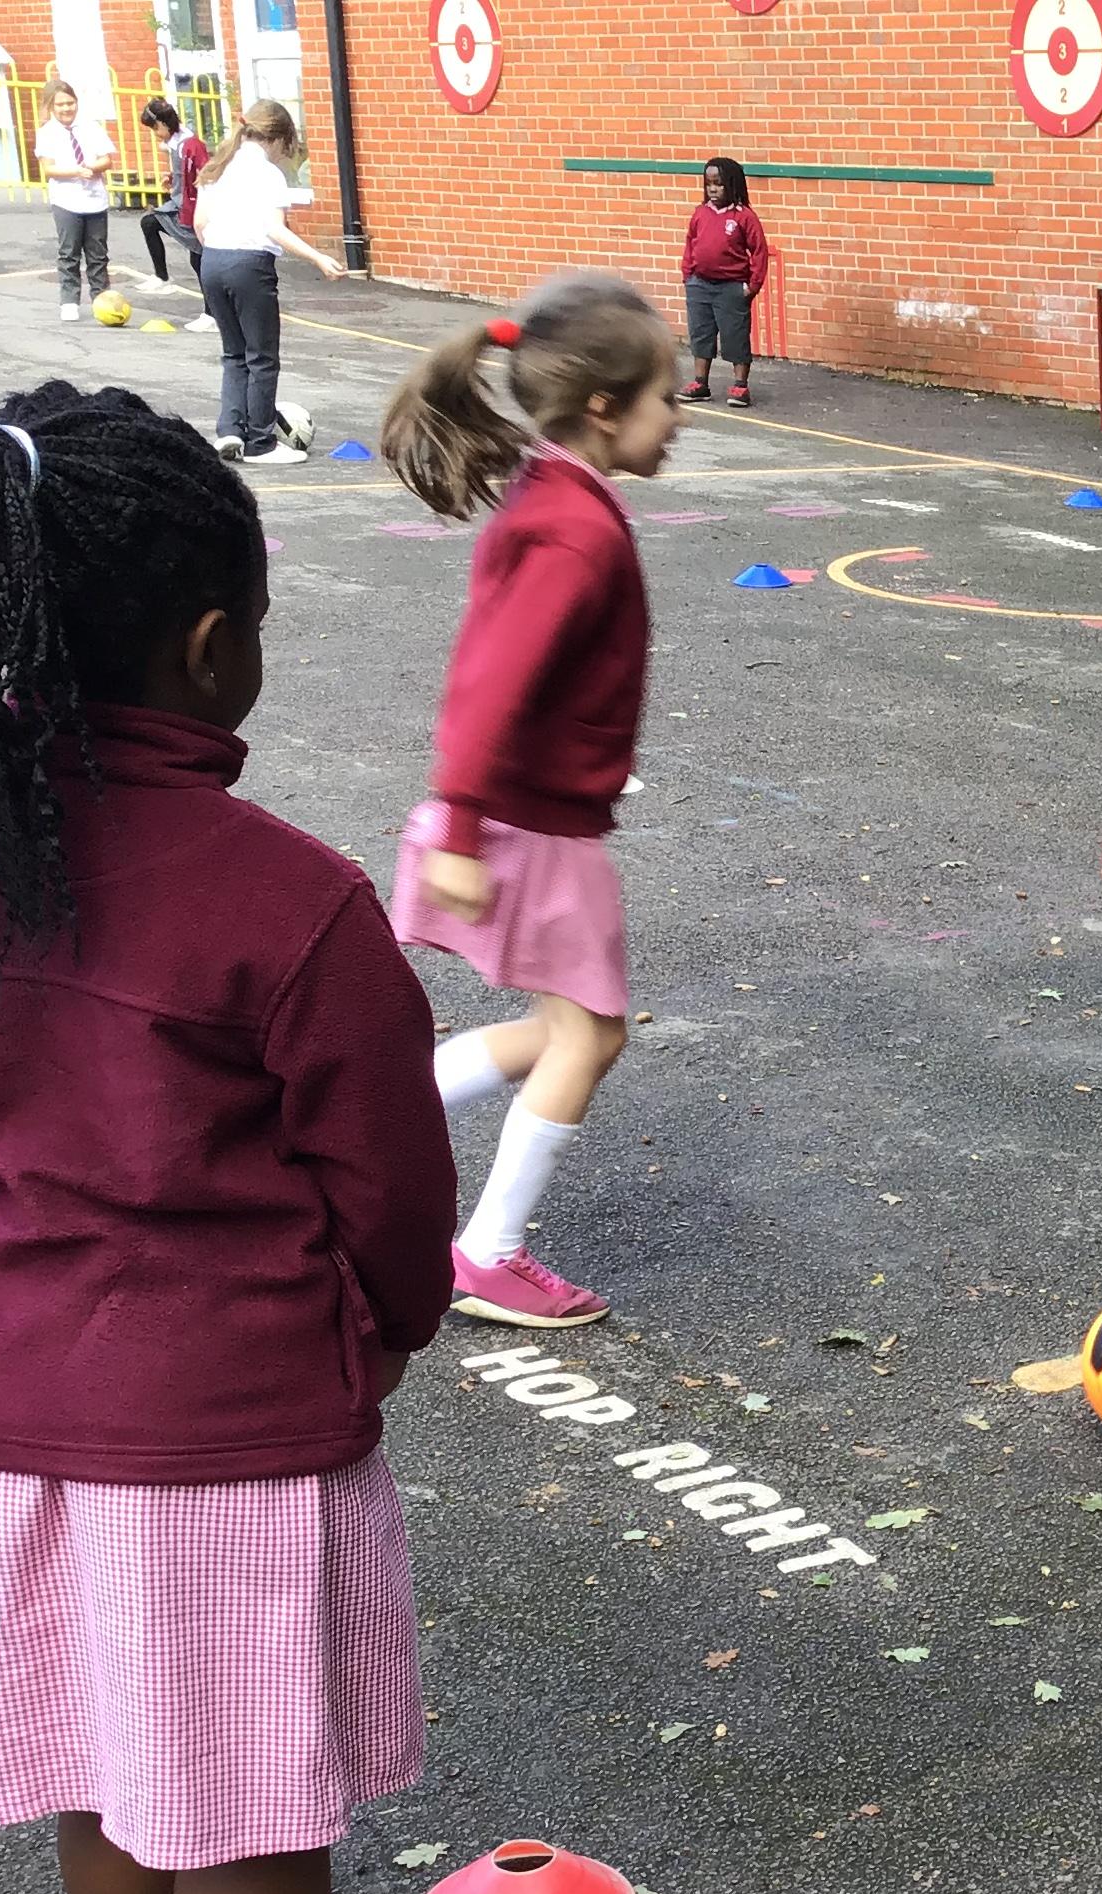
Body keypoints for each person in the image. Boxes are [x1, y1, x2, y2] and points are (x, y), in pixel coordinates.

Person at [0, 381, 497, 1894]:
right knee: (241, 1807)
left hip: (10, 1418)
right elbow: (387, 1189)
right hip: (220, 1426)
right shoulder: (287, 905)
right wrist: (379, 1335)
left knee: (102, 1764)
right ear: (211, 646)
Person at [382, 274, 680, 1330]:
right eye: (666, 398)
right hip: (529, 829)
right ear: (604, 405)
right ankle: (487, 1254)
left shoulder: (561, 496)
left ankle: (360, 1125)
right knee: (589, 1037)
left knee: (561, 1027)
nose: (678, 417)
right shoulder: (572, 530)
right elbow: (489, 679)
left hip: (525, 818)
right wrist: (460, 827)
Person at [195, 102, 346, 465]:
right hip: (249, 265)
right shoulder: (267, 174)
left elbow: (200, 223)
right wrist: (318, 258)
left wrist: (220, 252)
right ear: (277, 139)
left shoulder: (219, 165)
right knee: (262, 357)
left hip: (212, 260)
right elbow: (274, 229)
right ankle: (261, 442)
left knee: (234, 353)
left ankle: (230, 430)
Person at [679, 155, 770, 409]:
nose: (713, 189)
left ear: (733, 185)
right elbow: (690, 244)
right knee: (700, 334)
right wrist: (688, 275)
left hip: (731, 287)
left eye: (719, 184)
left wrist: (752, 285)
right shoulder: (700, 213)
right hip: (700, 285)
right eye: (708, 184)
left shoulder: (744, 216)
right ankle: (700, 383)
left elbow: (759, 251)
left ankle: (740, 385)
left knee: (735, 335)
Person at [35, 80, 114, 322]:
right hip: (66, 200)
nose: (66, 108)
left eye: (70, 103)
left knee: (98, 253)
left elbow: (107, 160)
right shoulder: (47, 133)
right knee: (69, 251)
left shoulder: (91, 127)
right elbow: (48, 169)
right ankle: (69, 300)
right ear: (51, 106)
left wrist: (92, 167)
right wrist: (76, 171)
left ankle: (102, 298)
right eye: (60, 104)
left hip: (95, 199)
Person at [135, 97, 208, 306]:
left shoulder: (190, 144)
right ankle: (162, 277)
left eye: (155, 128)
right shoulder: (177, 143)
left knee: (199, 258)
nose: (155, 134)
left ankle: (212, 313)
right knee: (149, 223)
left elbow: (204, 171)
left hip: (191, 208)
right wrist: (173, 177)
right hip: (182, 203)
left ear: (163, 124)